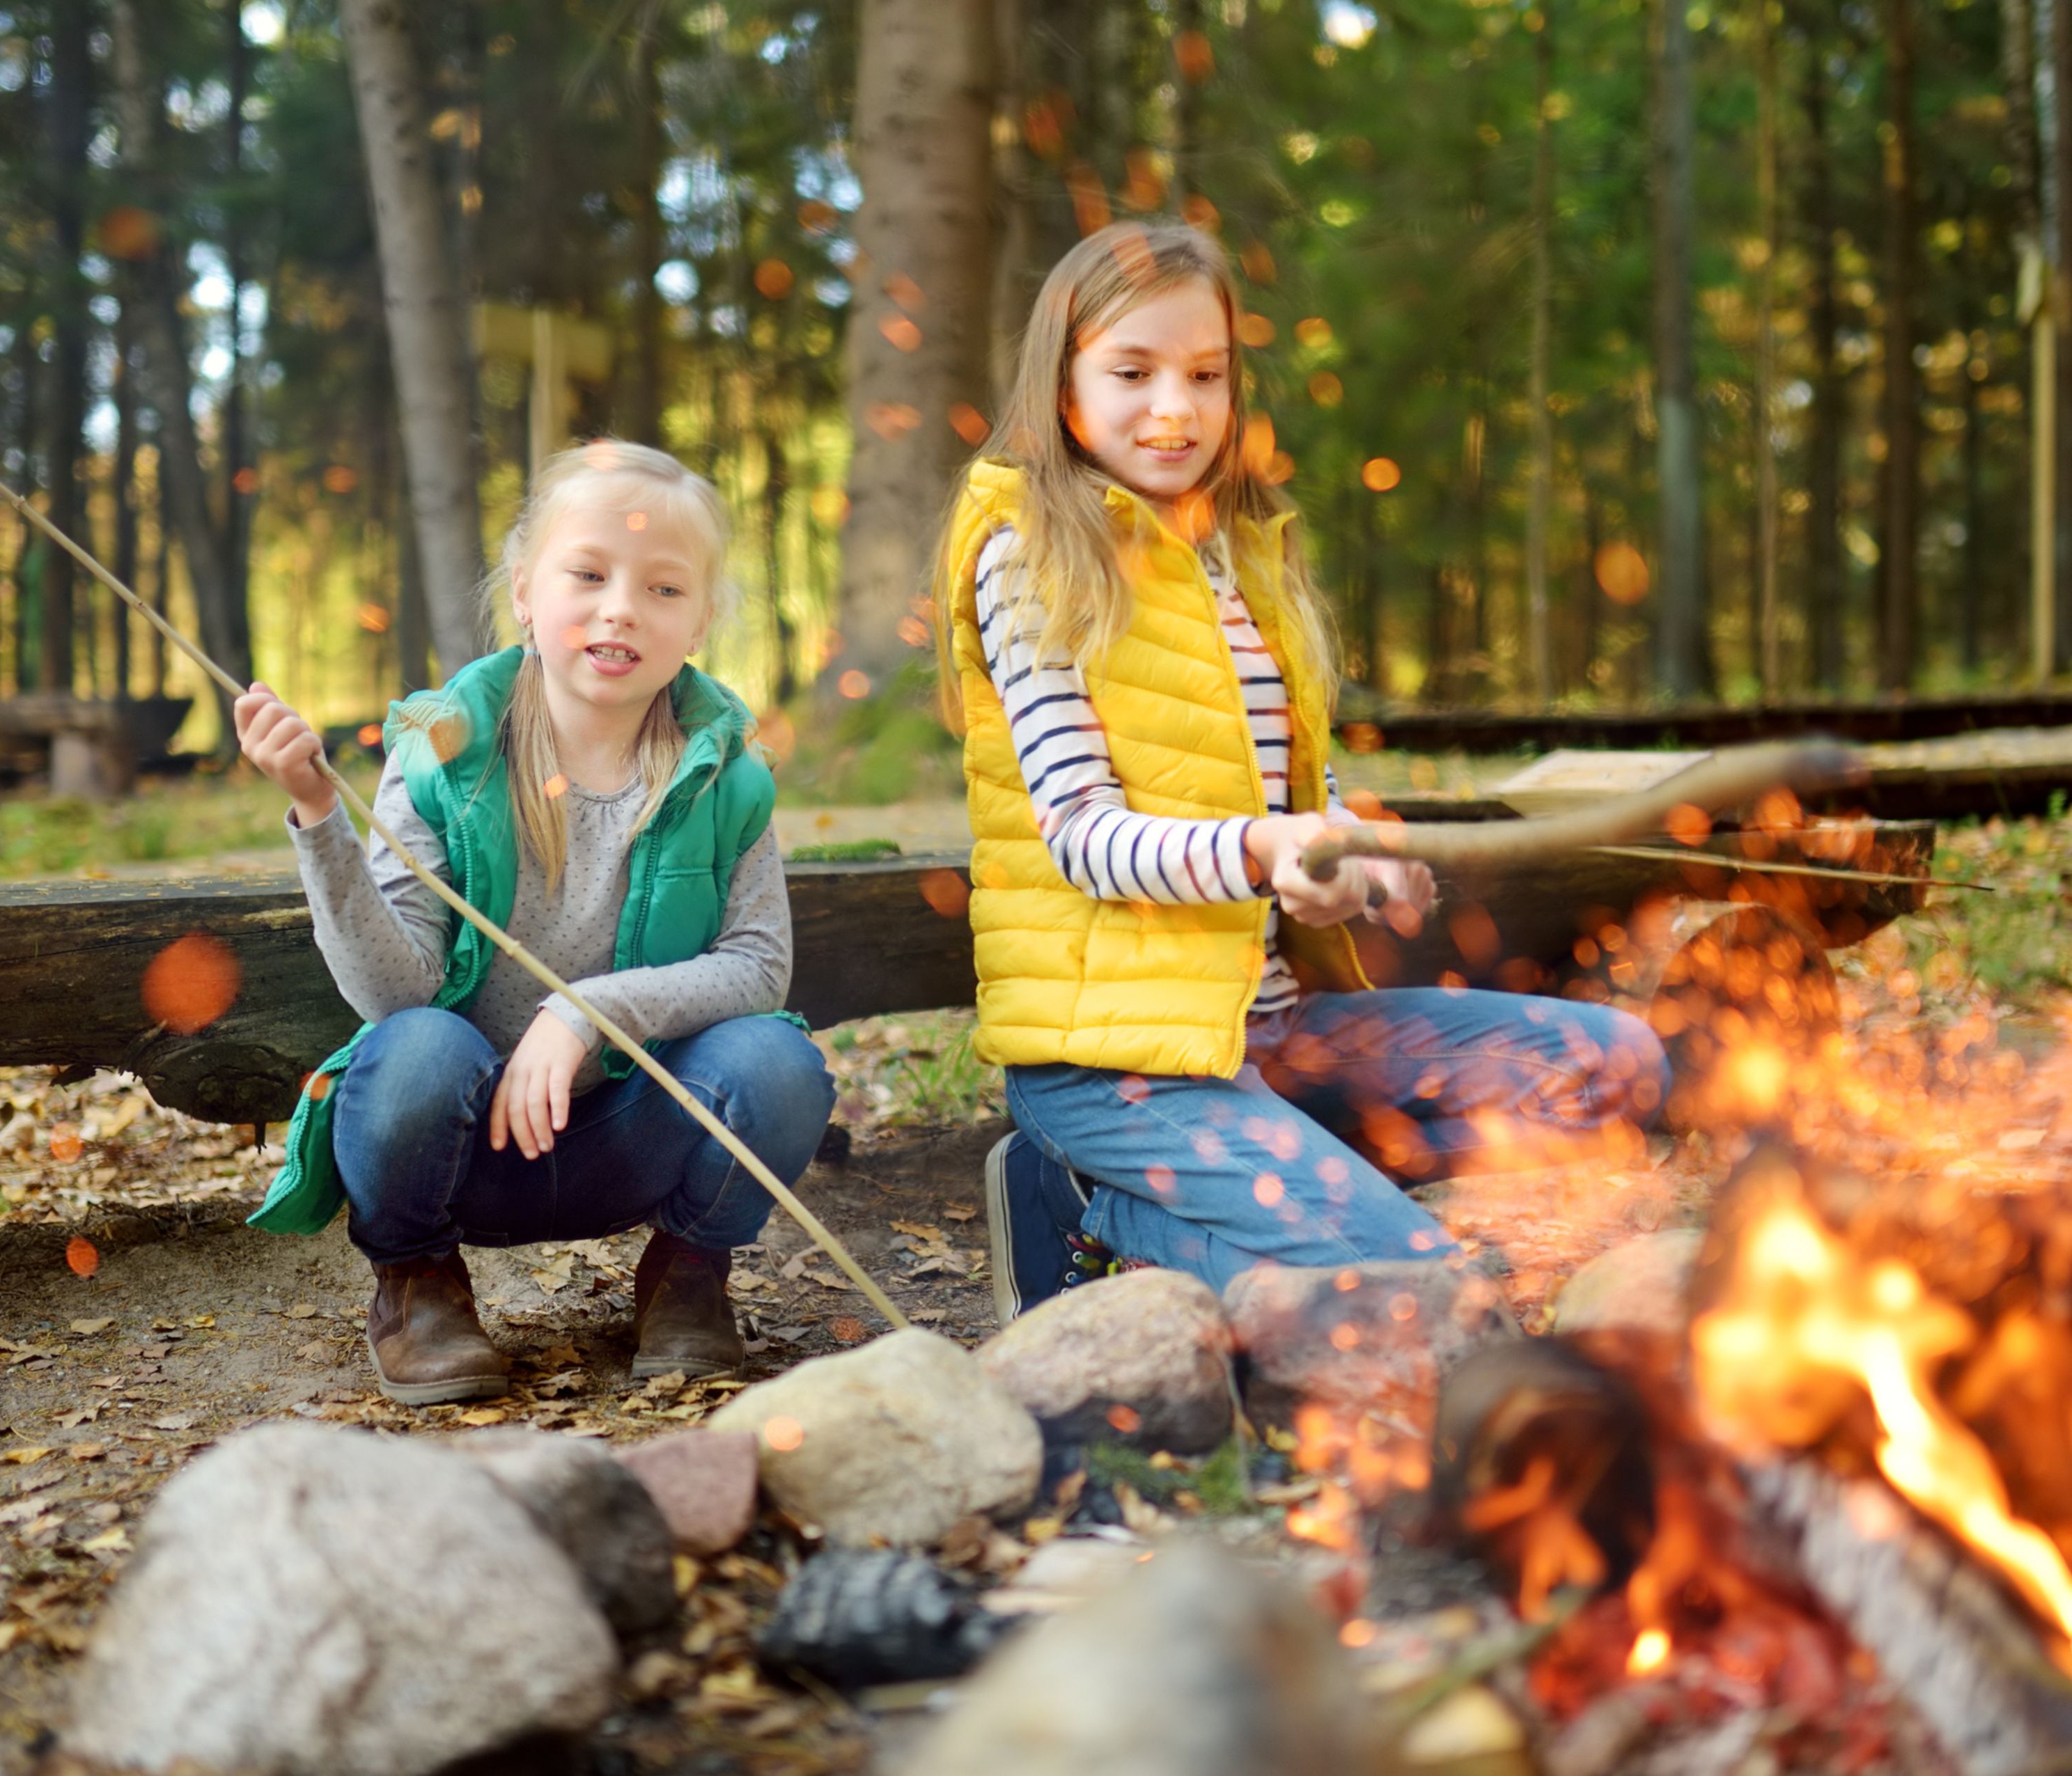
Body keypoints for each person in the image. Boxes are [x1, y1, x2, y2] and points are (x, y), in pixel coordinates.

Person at [934, 221, 1669, 1323]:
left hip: (1267, 1030)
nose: (1173, 408)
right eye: (1132, 372)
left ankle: (1268, 1178)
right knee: (1430, 1296)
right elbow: (1083, 836)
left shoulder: (1235, 552)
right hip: (1116, 1065)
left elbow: (1286, 799)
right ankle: (1095, 1199)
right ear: (1065, 382)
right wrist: (1261, 853)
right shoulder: (1033, 557)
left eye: (1205, 375)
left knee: (1620, 1069)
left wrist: (1357, 857)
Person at [237, 441, 833, 1403]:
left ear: (701, 621)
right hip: (461, 1144)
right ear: (525, 591)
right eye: (589, 573)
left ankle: (686, 1273)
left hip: (628, 1135)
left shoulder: (727, 774)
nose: (621, 607)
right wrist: (317, 813)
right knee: (415, 1051)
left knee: (778, 1063)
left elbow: (759, 969)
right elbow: (397, 993)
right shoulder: (441, 755)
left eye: (664, 587)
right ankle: (418, 1282)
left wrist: (587, 1011)